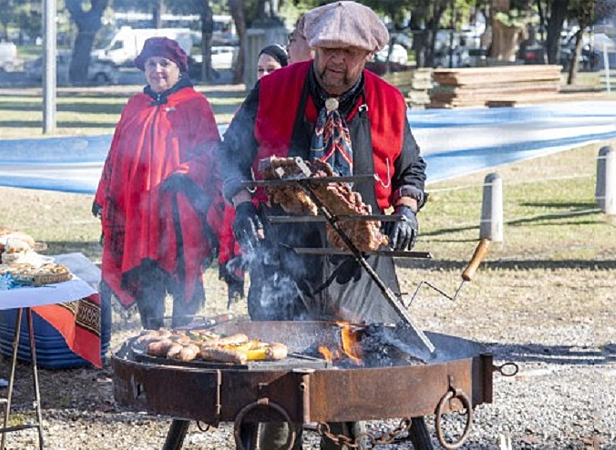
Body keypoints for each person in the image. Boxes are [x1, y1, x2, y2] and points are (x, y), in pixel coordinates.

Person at [219, 2, 426, 447]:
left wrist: (407, 208)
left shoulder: (389, 101)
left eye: (348, 53)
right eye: (329, 49)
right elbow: (229, 154)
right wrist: (242, 204)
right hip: (284, 261)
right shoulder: (272, 89)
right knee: (276, 384)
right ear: (313, 47)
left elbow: (411, 169)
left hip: (360, 267)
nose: (337, 60)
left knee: (348, 387)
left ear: (368, 55)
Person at [95, 37, 223, 330]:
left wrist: (186, 173)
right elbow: (115, 155)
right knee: (146, 277)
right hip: (139, 213)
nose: (157, 70)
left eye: (164, 63)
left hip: (180, 214)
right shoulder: (135, 105)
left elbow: (211, 153)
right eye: (151, 64)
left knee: (182, 278)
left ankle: (182, 338)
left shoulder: (195, 104)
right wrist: (103, 195)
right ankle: (151, 338)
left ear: (179, 68)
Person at [218, 44, 291, 307]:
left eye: (272, 69)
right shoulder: (251, 106)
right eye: (260, 70)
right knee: (262, 288)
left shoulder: (294, 103)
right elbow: (231, 154)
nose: (265, 75)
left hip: (295, 210)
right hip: (260, 208)